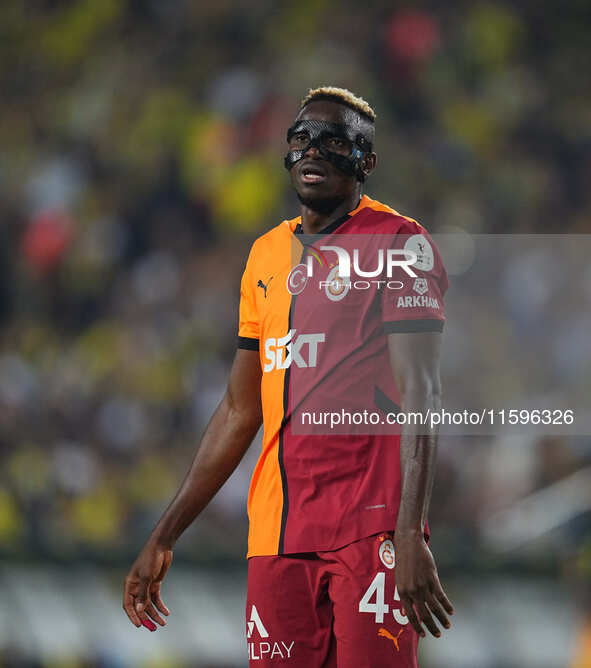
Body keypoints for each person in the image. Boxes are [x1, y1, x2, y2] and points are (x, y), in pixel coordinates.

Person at [123, 86, 454, 667]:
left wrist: (410, 532)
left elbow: (422, 395)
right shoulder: (264, 257)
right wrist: (166, 532)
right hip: (277, 536)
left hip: (369, 532)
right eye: (301, 137)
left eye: (334, 141)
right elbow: (238, 409)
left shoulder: (401, 244)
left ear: (365, 163)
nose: (313, 149)